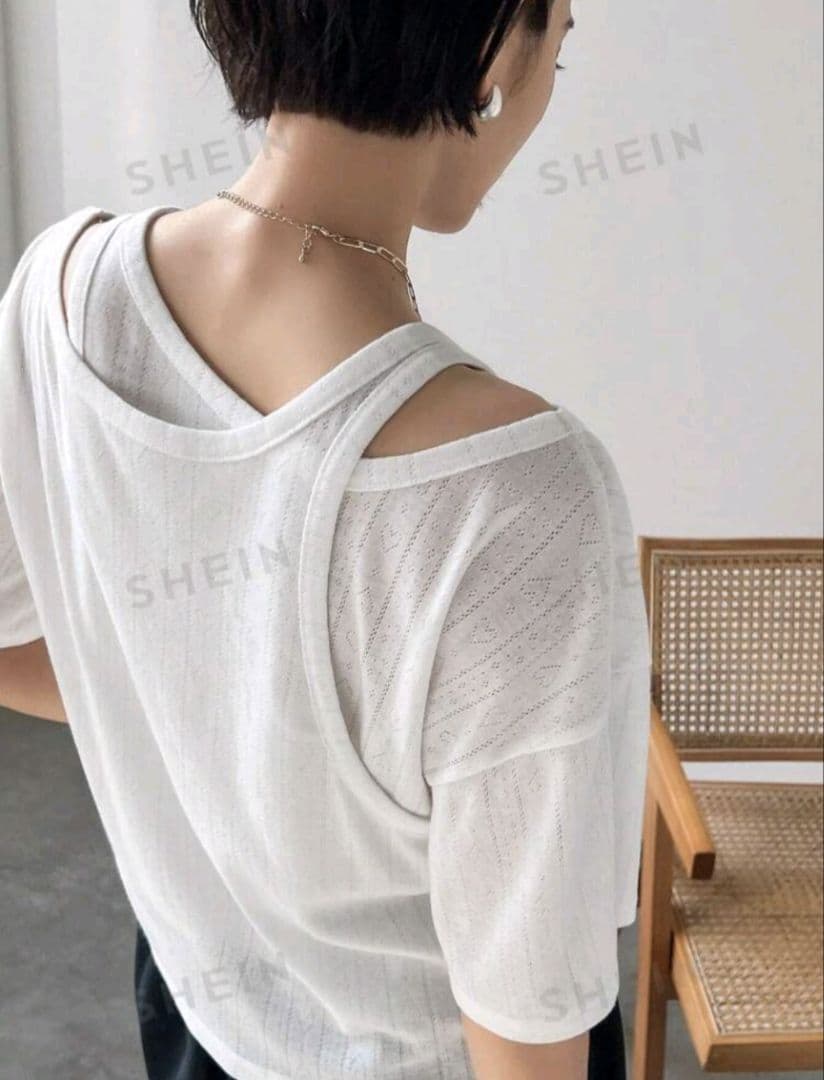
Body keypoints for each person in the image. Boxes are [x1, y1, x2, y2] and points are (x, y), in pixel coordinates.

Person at [0, 1, 651, 1077]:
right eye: (560, 45)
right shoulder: (515, 492)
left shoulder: (60, 297)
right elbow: (522, 1013)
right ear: (496, 44)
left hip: (198, 1012)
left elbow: (23, 647)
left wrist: (206, 713)